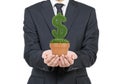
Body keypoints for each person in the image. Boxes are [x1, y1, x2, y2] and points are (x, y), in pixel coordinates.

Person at [23, 0, 99, 84]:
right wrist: (44, 58)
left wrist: (74, 59)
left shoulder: (87, 12)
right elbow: (29, 53)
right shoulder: (32, 11)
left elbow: (90, 53)